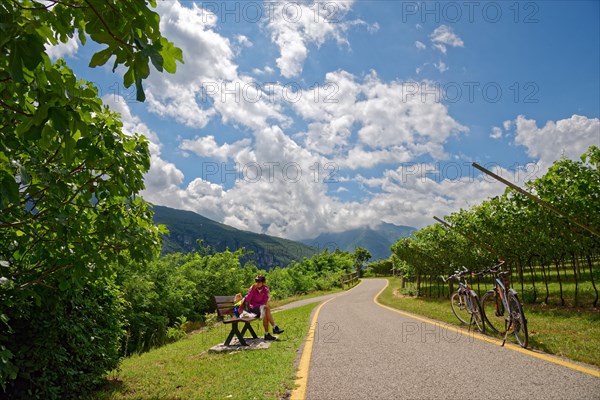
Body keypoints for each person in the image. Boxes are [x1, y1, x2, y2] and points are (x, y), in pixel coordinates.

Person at [244, 274, 284, 341]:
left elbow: (264, 301)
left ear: (263, 283)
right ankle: (275, 327)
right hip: (252, 309)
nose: (257, 283)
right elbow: (247, 300)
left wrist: (261, 306)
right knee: (266, 308)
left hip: (261, 308)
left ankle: (267, 334)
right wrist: (251, 290)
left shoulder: (265, 290)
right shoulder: (253, 289)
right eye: (256, 281)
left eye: (259, 281)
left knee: (265, 311)